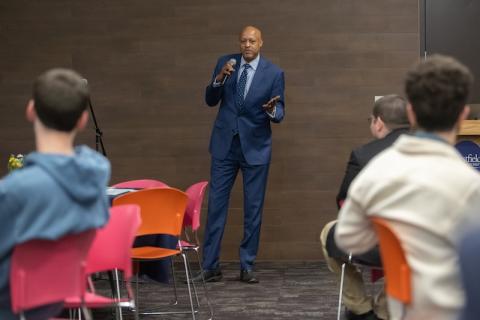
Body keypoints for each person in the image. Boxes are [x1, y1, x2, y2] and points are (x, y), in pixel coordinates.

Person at [335, 55, 480, 320]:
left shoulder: (374, 171)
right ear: (463, 115)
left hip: (404, 306)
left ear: (411, 112)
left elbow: (346, 238)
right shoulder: (472, 186)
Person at [0, 68, 111, 319]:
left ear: (31, 110)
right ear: (83, 120)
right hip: (49, 304)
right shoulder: (95, 182)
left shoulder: (14, 191)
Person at [194, 25, 285, 284]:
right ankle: (211, 266)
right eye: (243, 41)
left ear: (261, 44)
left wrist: (270, 110)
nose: (247, 45)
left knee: (252, 210)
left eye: (252, 41)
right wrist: (220, 78)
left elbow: (280, 113)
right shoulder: (226, 63)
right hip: (225, 146)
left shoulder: (274, 73)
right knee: (216, 208)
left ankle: (247, 266)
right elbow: (210, 100)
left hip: (255, 148)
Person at [321, 94, 410, 320]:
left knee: (328, 232)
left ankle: (360, 308)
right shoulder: (433, 151)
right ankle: (385, 308)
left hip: (375, 244)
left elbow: (345, 203)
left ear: (378, 122)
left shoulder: (363, 155)